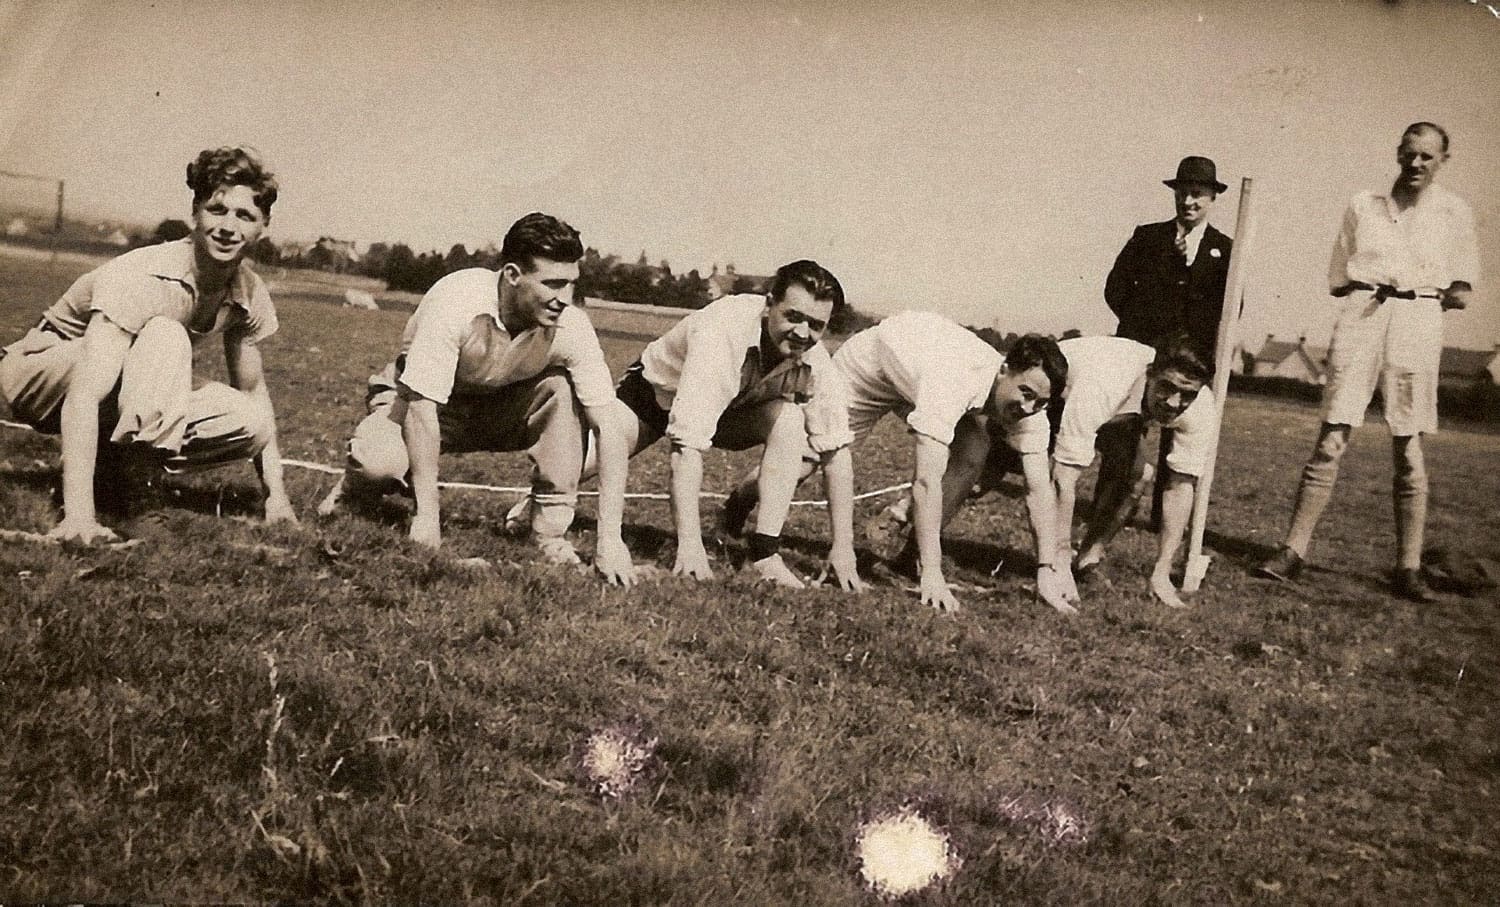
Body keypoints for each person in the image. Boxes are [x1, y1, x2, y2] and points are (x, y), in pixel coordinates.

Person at [316, 212, 637, 586]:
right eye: (552, 284)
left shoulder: (572, 325)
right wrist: (427, 519)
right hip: (421, 400)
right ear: (513, 275)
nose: (564, 298)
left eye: (571, 284)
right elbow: (421, 409)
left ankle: (549, 533)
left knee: (563, 390)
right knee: (378, 464)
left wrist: (610, 539)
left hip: (501, 406)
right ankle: (353, 491)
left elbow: (608, 428)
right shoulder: (457, 300)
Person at [0, 146, 296, 543]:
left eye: (245, 216)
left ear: (262, 227)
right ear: (195, 213)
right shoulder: (144, 274)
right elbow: (86, 393)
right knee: (166, 335)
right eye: (217, 210)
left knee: (251, 421)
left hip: (116, 382)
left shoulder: (248, 291)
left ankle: (118, 471)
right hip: (43, 374)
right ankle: (138, 500)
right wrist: (79, 518)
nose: (229, 227)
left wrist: (276, 498)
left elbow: (253, 389)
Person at [1255, 122, 1479, 602]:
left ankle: (1409, 567)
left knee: (1408, 447)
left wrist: (1427, 292)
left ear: (1443, 160)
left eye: (1427, 157)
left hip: (1417, 321)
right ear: (1397, 153)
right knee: (1331, 438)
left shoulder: (1454, 212)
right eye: (1409, 154)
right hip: (1362, 316)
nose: (1415, 164)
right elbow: (1338, 277)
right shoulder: (1364, 206)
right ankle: (1292, 551)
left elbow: (1461, 290)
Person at [721, 311, 1068, 613]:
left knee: (973, 449)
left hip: (919, 373)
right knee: (811, 457)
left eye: (1040, 403)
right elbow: (926, 481)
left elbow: (1039, 490)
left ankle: (911, 559)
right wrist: (936, 573)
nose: (1028, 409)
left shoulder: (1032, 410)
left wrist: (1046, 570)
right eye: (1025, 394)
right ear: (1004, 370)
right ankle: (741, 499)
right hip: (872, 368)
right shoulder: (955, 379)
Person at [596, 260, 860, 591]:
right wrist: (690, 546)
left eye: (816, 325)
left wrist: (843, 551)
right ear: (768, 304)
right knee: (570, 471)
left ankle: (764, 553)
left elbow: (836, 453)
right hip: (651, 398)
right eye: (793, 316)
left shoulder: (816, 360)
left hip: (729, 411)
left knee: (789, 418)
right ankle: (539, 512)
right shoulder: (723, 330)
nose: (803, 333)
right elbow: (686, 447)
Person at [1024, 336, 1216, 610]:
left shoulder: (1201, 406)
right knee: (986, 473)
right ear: (1150, 373)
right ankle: (1060, 562)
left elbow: (1181, 485)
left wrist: (1162, 571)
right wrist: (1059, 563)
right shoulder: (1107, 379)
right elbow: (1063, 479)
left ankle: (1089, 556)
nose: (1174, 402)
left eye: (1188, 394)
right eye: (1166, 387)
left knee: (1138, 475)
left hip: (1119, 409)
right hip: (1053, 391)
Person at [1104, 155, 1233, 529]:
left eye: (1197, 195)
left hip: (1188, 362)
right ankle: (1113, 503)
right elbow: (1115, 289)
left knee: (1179, 433)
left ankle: (1164, 516)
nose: (1188, 202)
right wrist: (1140, 328)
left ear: (1211, 198)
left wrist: (1194, 347)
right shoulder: (1148, 237)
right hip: (1141, 352)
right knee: (1127, 431)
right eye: (1182, 193)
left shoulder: (1224, 250)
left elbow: (1230, 308)